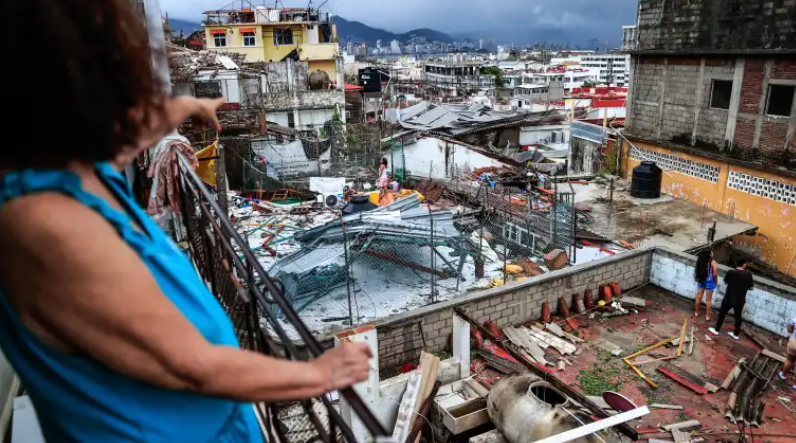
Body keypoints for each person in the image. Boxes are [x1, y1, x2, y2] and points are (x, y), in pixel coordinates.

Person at [0, 2, 370, 442]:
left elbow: (116, 146)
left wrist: (181, 108)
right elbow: (194, 368)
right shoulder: (46, 224)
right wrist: (319, 374)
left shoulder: (71, 172)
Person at [709, 258, 754, 340]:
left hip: (729, 298)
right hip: (740, 300)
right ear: (744, 265)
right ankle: (736, 334)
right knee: (738, 317)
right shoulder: (748, 274)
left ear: (736, 264)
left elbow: (726, 282)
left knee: (722, 313)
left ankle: (716, 329)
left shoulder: (731, 272)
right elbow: (751, 288)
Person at [694, 249, 718, 321]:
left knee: (699, 297)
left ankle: (696, 312)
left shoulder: (700, 260)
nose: (713, 253)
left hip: (701, 279)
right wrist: (716, 282)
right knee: (708, 300)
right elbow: (715, 274)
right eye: (712, 252)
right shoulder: (713, 262)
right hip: (710, 282)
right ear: (709, 254)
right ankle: (707, 316)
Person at [779, 315, 796, 390]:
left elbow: (789, 330)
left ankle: (783, 375)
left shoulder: (794, 319)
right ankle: (795, 385)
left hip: (794, 343)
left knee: (789, 360)